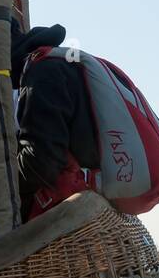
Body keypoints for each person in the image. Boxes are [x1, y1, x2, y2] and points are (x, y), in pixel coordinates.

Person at [11, 22, 100, 219]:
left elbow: (42, 160)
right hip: (94, 200)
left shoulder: (41, 71)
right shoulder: (63, 62)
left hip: (72, 213)